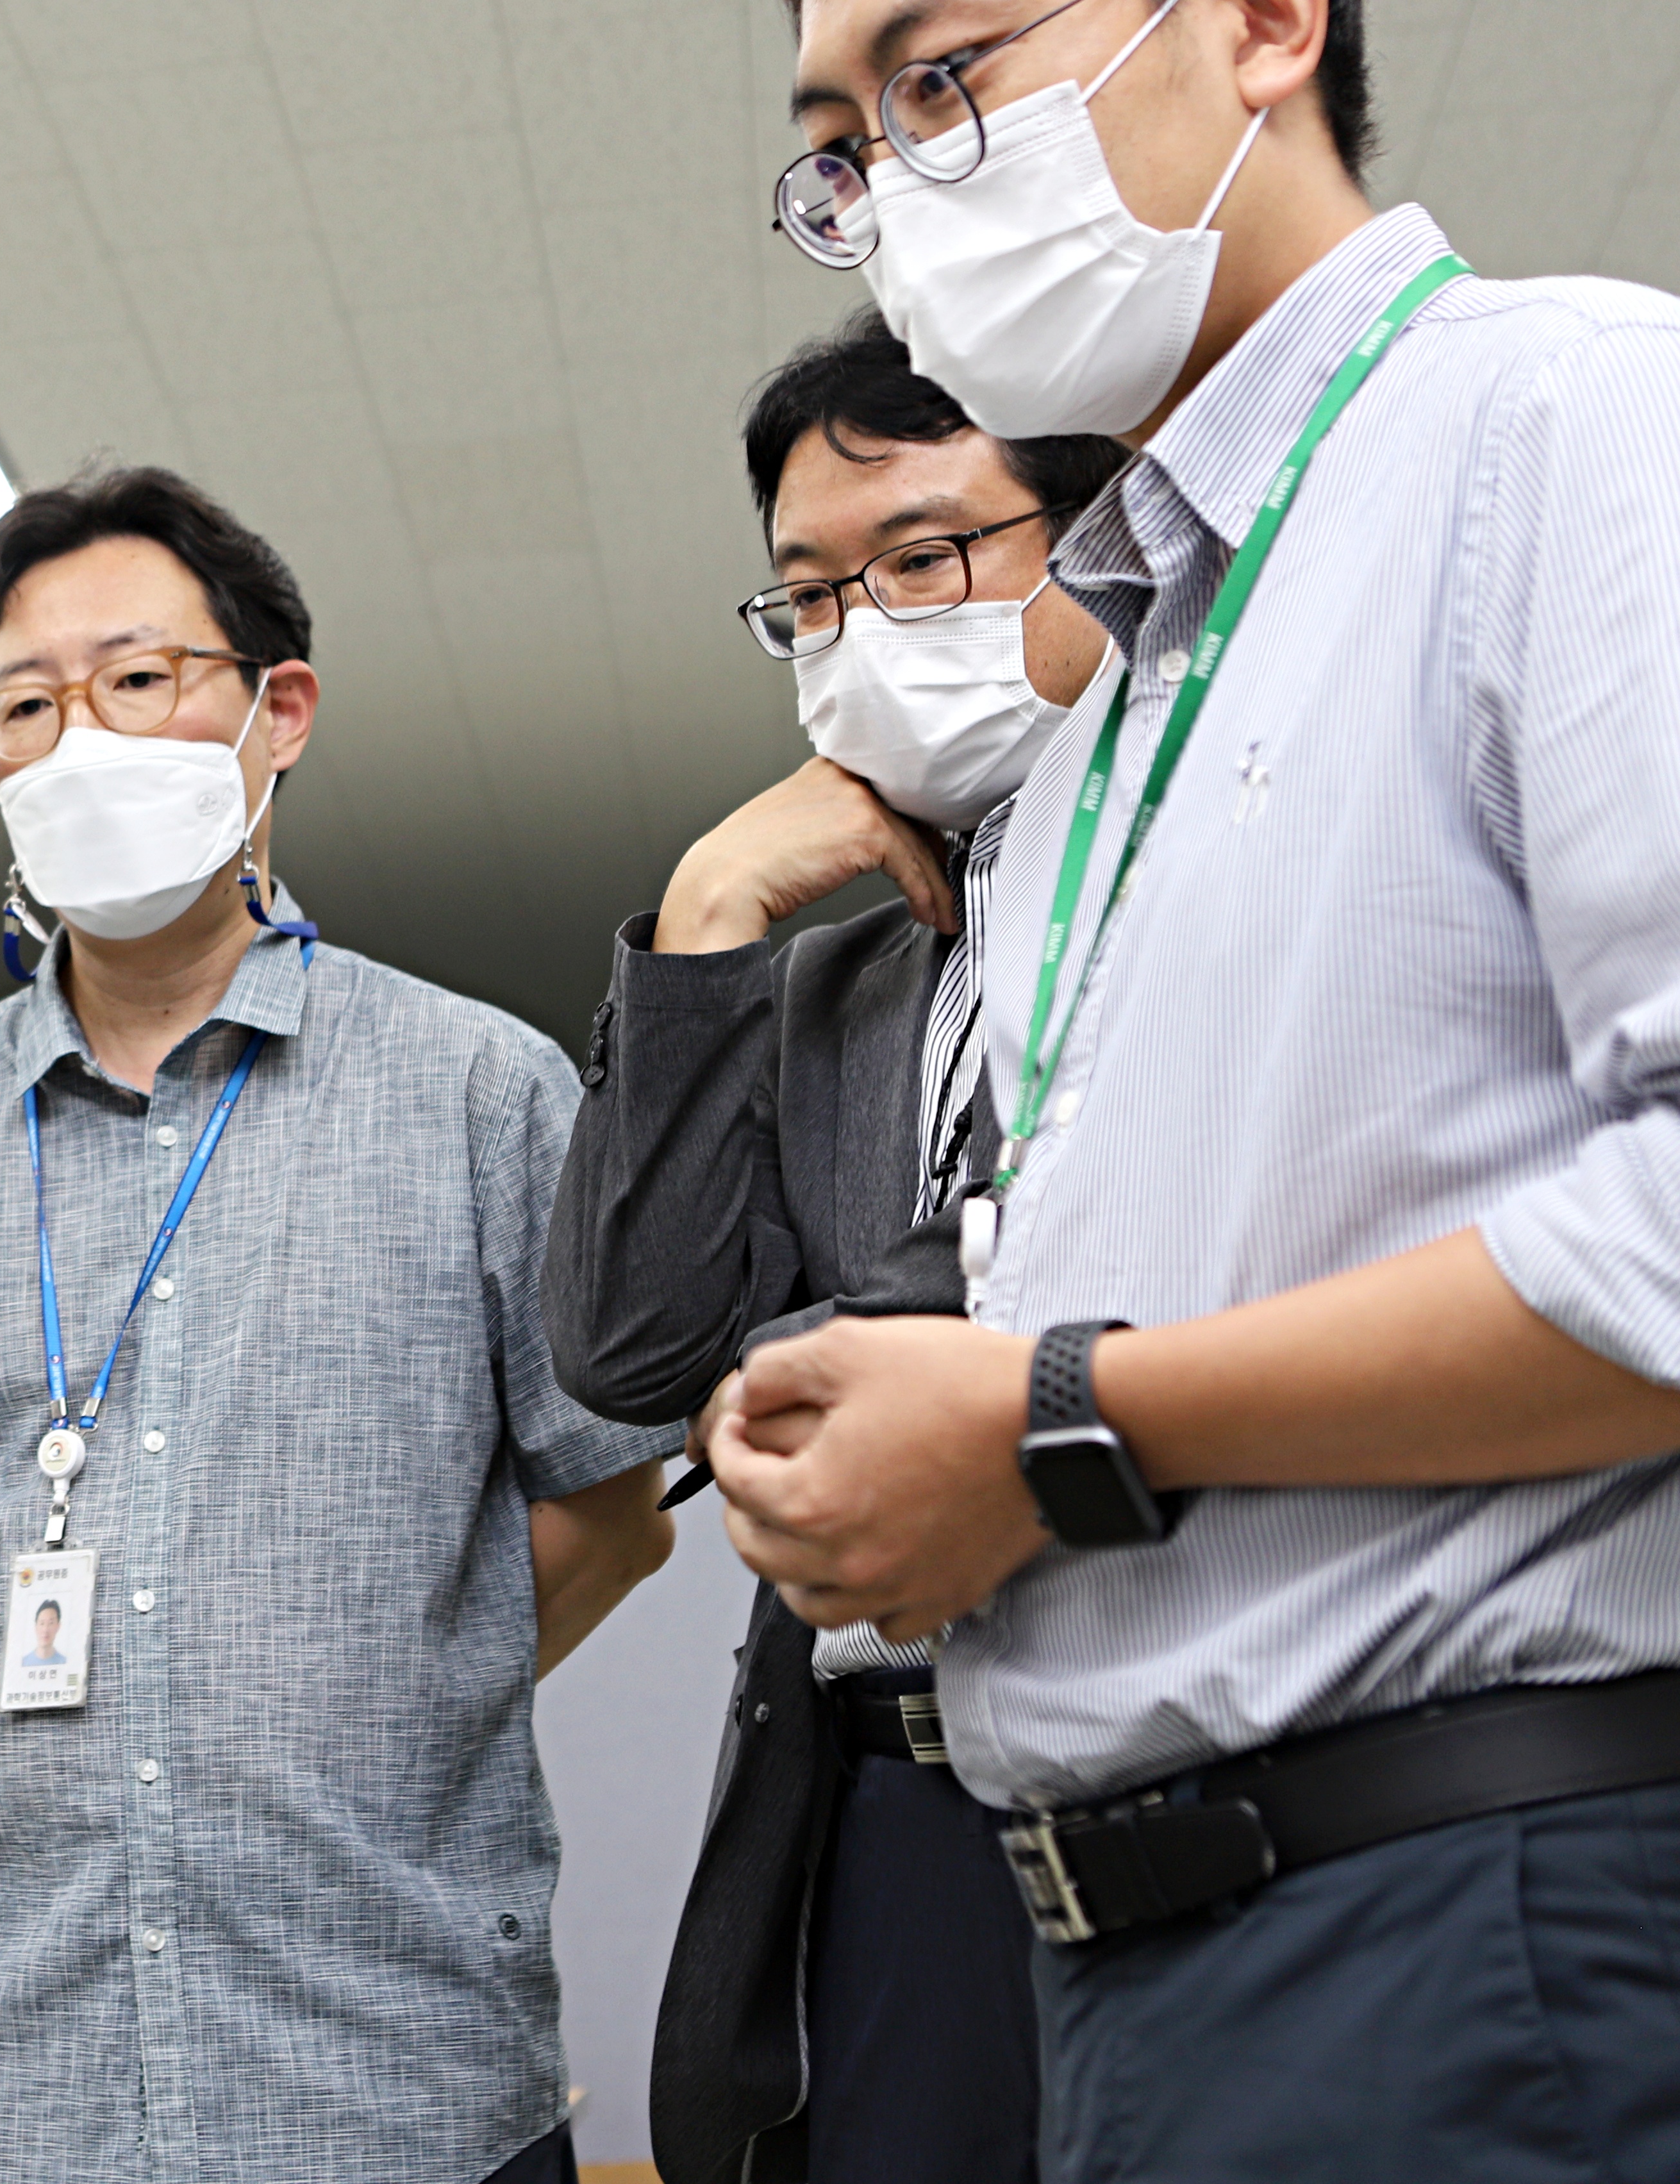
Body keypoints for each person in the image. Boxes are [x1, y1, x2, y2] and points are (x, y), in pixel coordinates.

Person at [706, 0, 1680, 2179]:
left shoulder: (1576, 417)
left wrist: (1054, 1423)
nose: (903, 188)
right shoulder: (1129, 691)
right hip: (1163, 1979)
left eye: (950, 81)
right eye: (847, 140)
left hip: (1543, 1931)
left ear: (1256, 9)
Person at [0, 464, 681, 2184]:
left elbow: (612, 1516)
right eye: (24, 703)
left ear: (280, 712)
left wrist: (369, 1688)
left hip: (391, 2081)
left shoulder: (481, 1092)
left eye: (139, 679)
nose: (78, 739)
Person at [547, 320, 1119, 2184]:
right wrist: (712, 923)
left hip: (1175, 1742)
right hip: (882, 1798)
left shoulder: (1201, 871)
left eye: (927, 557)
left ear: (1099, 536)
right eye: (810, 594)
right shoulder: (834, 980)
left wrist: (839, 1341)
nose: (868, 624)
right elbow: (633, 1354)